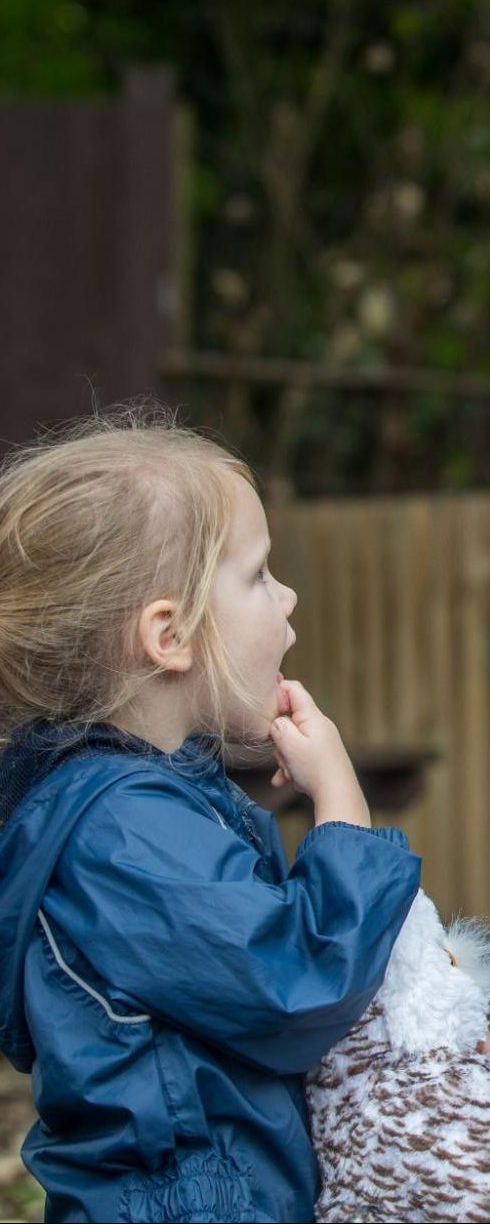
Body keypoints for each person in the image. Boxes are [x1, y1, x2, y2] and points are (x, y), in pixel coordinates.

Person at [0, 415, 421, 1222]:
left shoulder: (140, 806)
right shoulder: (122, 835)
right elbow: (295, 983)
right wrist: (343, 812)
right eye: (259, 574)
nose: (289, 593)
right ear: (170, 634)